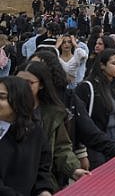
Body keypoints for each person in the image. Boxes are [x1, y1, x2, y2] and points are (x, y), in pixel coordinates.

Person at [16, 62, 90, 190]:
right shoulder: (7, 109)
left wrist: (73, 169)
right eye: (19, 81)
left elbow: (61, 148)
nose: (23, 87)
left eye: (30, 83)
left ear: (41, 85)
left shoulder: (52, 114)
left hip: (42, 180)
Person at [75, 49, 115, 169]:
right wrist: (81, 152)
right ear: (102, 65)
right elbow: (80, 121)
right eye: (114, 63)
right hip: (96, 146)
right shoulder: (87, 88)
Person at [0, 76, 55, 195]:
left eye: (2, 97)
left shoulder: (35, 132)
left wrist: (44, 190)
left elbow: (42, 169)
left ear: (19, 99)